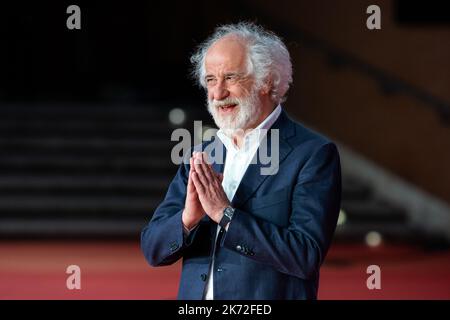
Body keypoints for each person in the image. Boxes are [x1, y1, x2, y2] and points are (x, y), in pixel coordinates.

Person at [141, 22, 341, 300]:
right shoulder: (202, 155)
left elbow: (305, 255)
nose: (218, 93)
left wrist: (226, 215)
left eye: (231, 78)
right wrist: (188, 219)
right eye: (210, 80)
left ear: (268, 81)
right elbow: (153, 249)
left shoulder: (312, 154)